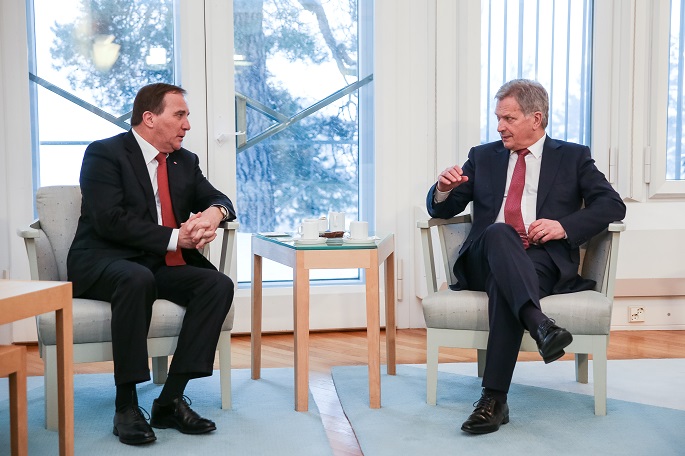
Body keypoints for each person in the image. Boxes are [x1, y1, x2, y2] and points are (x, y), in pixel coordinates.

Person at [426, 79, 626, 435]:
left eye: (509, 118)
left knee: (504, 285)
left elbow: (612, 205)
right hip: (485, 255)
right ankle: (540, 324)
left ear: (536, 118)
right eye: (498, 118)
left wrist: (563, 226)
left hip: (541, 260)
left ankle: (494, 401)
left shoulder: (573, 157)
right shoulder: (483, 156)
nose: (499, 127)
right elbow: (443, 209)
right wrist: (442, 188)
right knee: (499, 233)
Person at [67, 83, 236, 445]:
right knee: (136, 278)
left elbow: (218, 198)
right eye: (180, 115)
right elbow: (109, 220)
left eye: (187, 116)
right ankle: (126, 406)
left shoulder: (184, 161)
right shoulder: (105, 153)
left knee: (217, 284)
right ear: (149, 118)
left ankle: (170, 400)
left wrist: (214, 213)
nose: (187, 125)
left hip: (154, 264)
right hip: (103, 261)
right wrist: (177, 238)